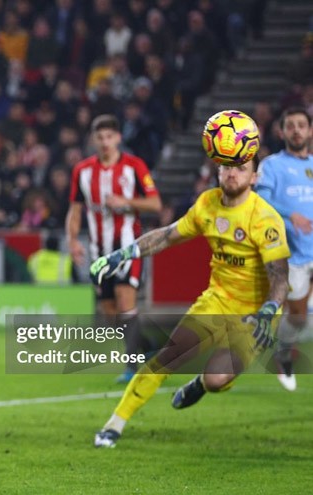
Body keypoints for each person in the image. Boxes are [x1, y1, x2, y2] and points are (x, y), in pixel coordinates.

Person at [92, 154, 290, 448]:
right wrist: (124, 254)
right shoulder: (207, 204)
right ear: (218, 170)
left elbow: (280, 277)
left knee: (216, 380)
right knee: (167, 358)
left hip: (255, 316)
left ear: (254, 177)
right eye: (226, 167)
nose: (232, 174)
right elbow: (167, 236)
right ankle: (114, 424)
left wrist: (269, 310)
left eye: (241, 168)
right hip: (216, 302)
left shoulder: (265, 219)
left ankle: (200, 383)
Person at [66, 114, 162, 383]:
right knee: (110, 313)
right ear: (94, 140)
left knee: (124, 301)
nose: (105, 142)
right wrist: (72, 240)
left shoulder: (135, 166)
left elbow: (155, 204)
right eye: (100, 137)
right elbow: (75, 210)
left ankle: (131, 367)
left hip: (129, 248)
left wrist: (126, 201)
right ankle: (150, 345)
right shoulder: (82, 171)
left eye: (110, 136)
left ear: (118, 138)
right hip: (99, 251)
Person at [255, 106, 313, 391]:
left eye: (302, 125)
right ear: (281, 131)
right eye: (290, 125)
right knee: (299, 318)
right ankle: (283, 350)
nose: (296, 130)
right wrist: (292, 216)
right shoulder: (272, 165)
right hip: (292, 255)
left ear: (310, 130)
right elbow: (261, 202)